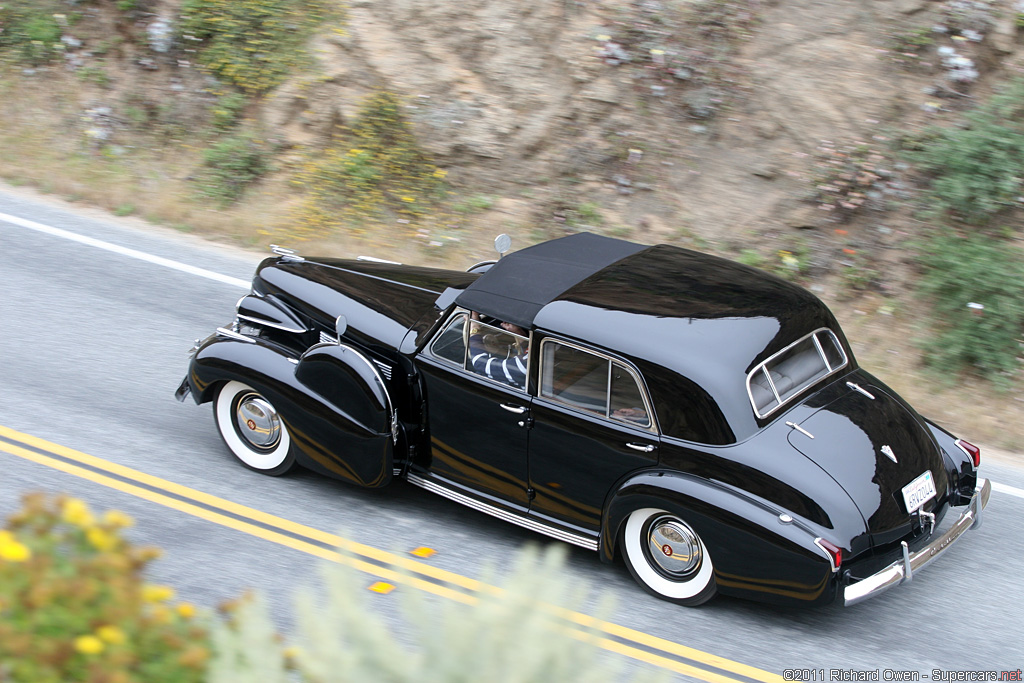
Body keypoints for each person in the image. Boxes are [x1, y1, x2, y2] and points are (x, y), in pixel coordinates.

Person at [468, 311, 529, 389]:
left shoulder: (524, 367)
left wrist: (474, 327)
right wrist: (519, 333)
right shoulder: (542, 354)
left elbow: (479, 362)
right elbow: (530, 351)